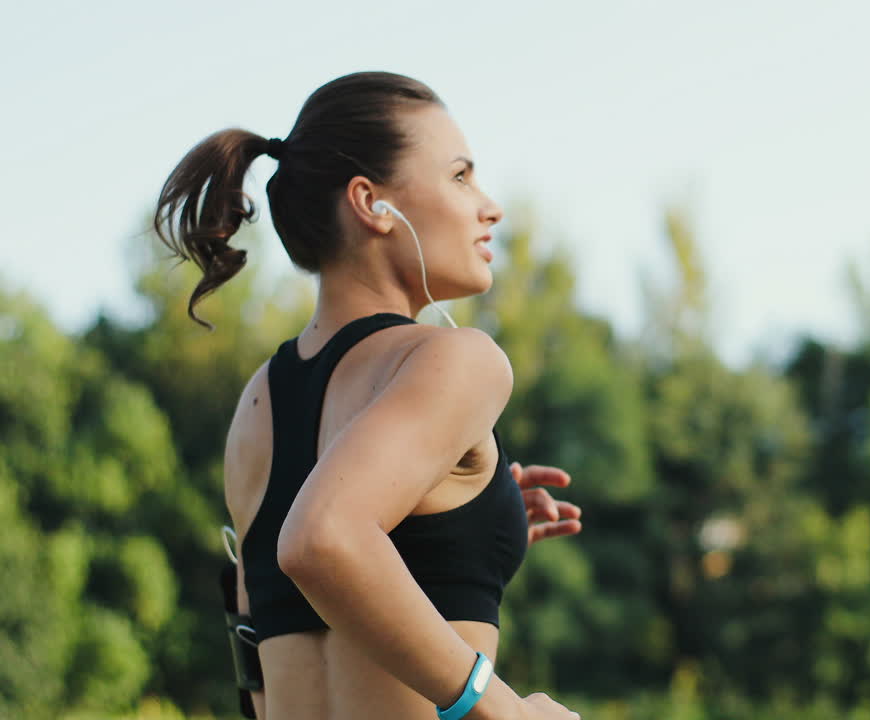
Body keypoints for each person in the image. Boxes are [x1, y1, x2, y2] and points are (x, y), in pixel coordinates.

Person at [155, 71, 584, 720]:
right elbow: (322, 539)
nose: (489, 206)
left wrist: (474, 524)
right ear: (372, 204)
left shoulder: (256, 405)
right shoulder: (457, 359)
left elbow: (262, 669)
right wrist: (508, 711)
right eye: (461, 177)